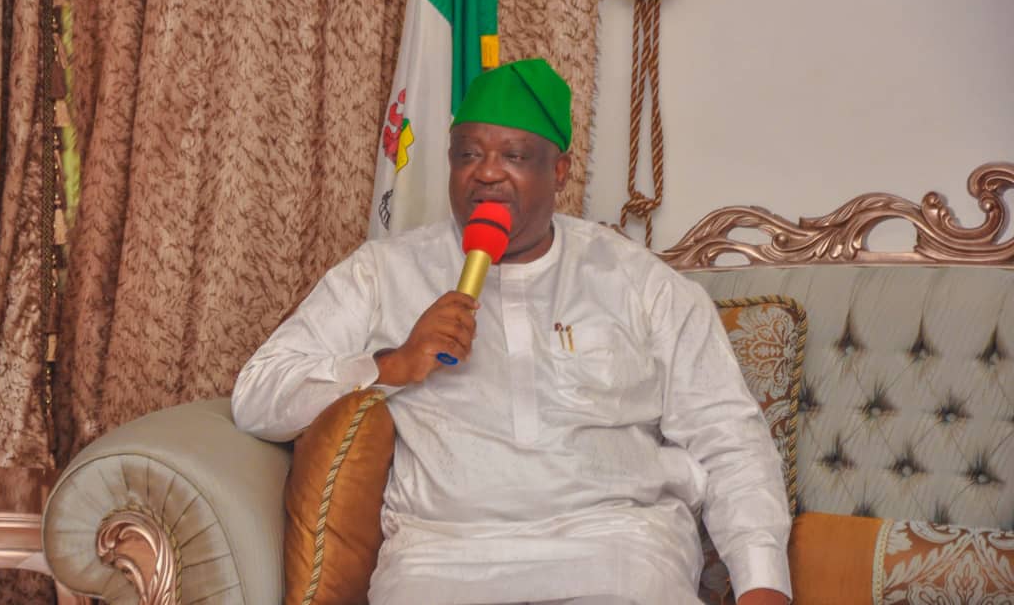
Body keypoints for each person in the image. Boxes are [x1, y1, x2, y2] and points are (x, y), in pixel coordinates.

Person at [232, 58, 792, 605]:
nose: (487, 172)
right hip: (441, 559)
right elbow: (257, 397)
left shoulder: (638, 280)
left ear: (560, 171)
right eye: (468, 154)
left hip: (616, 551)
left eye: (514, 156)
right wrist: (392, 365)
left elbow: (727, 435)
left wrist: (761, 582)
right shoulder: (381, 274)